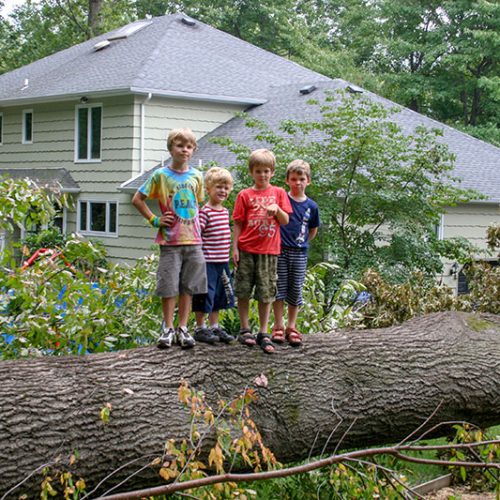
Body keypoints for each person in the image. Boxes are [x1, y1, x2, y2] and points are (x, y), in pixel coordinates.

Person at [132, 128, 206, 349]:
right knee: (169, 286)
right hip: (170, 241)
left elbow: (196, 205)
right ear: (170, 148)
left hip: (193, 241)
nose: (184, 150)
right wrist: (155, 220)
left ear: (193, 150)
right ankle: (167, 328)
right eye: (179, 145)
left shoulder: (197, 176)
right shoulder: (161, 176)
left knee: (188, 287)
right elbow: (138, 199)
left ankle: (183, 328)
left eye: (189, 146)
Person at [232, 148, 292, 354]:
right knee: (243, 290)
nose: (263, 175)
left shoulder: (279, 193)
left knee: (266, 292)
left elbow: (286, 221)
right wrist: (235, 248)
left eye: (267, 171)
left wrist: (278, 210)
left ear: (273, 172)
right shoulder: (244, 195)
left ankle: (264, 331)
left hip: (269, 251)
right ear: (251, 172)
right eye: (258, 171)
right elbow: (238, 224)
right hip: (247, 248)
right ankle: (245, 329)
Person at [272, 160, 320, 347]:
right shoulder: (282, 199)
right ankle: (278, 325)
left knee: (295, 288)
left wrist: (303, 241)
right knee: (279, 288)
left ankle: (292, 326)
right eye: (294, 179)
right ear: (287, 180)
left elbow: (313, 229)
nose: (297, 183)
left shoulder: (312, 206)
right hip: (280, 250)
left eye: (301, 179)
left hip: (299, 252)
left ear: (308, 181)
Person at [192, 167, 236, 344]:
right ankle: (200, 327)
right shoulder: (205, 212)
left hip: (222, 261)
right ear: (208, 189)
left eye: (226, 188)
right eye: (218, 187)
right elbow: (197, 235)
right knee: (205, 294)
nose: (222, 191)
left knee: (219, 295)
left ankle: (214, 327)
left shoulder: (225, 212)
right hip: (207, 262)